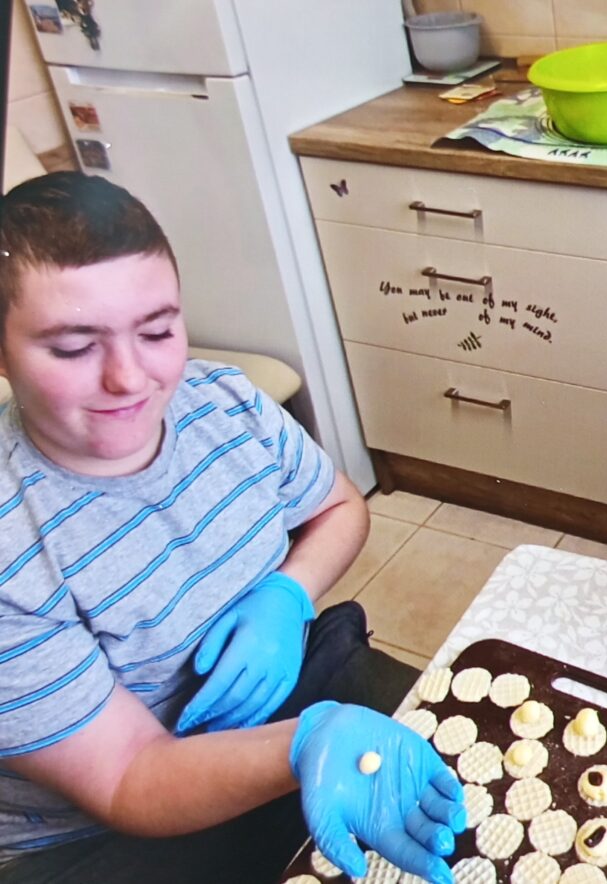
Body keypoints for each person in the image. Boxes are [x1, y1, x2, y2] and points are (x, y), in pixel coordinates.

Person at [0, 172, 465, 884]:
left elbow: (339, 508)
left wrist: (288, 592)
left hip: (284, 710)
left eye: (157, 332)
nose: (129, 378)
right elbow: (126, 778)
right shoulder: (13, 544)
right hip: (105, 828)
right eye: (72, 348)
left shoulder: (225, 404)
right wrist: (302, 746)